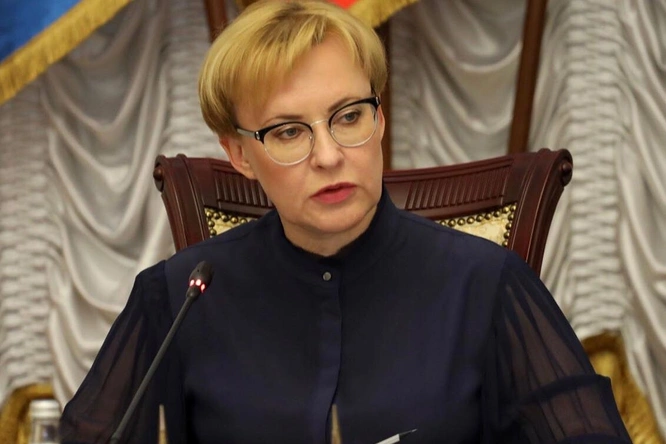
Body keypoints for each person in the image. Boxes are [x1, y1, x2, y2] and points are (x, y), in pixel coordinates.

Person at [60, 1, 632, 443]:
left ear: (379, 119)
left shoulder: (486, 285)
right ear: (238, 154)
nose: (329, 156)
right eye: (289, 132)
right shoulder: (178, 298)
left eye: (349, 116)